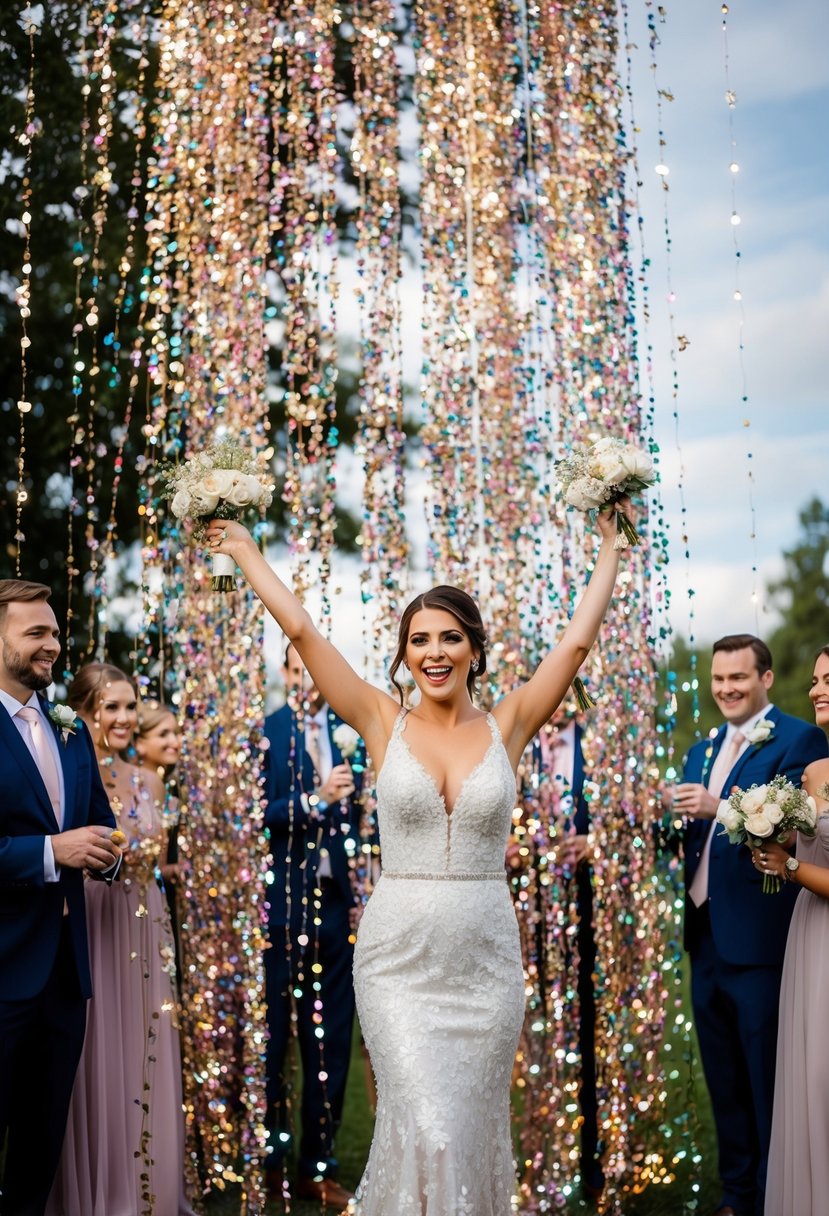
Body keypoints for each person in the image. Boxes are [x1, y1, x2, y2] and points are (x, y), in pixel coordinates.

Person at [206, 499, 629, 1215]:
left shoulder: (511, 721)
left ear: (474, 649)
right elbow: (303, 630)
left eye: (449, 638)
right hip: (398, 959)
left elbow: (573, 649)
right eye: (418, 640)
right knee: (425, 1125)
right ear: (403, 653)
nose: (433, 651)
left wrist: (612, 549)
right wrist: (246, 551)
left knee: (462, 1130)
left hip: (484, 960)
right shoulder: (378, 719)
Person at [676, 634, 828, 1216]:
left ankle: (774, 1196)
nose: (726, 689)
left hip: (762, 938)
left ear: (764, 678)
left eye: (738, 678)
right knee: (724, 1078)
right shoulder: (701, 748)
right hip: (705, 935)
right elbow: (698, 842)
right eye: (718, 679)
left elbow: (794, 825)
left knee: (768, 1078)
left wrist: (722, 808)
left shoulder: (799, 739)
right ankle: (736, 1195)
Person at [47, 664, 194, 1216]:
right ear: (84, 711)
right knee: (89, 1052)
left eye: (130, 706)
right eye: (110, 707)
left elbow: (158, 857)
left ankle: (144, 1188)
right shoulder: (70, 772)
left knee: (143, 1049)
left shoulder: (149, 779)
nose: (124, 718)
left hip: (143, 923)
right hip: (90, 919)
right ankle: (96, 1190)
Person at [0, 580, 122, 1216]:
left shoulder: (68, 728)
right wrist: (53, 852)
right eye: (36, 633)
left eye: (54, 631)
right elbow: (54, 844)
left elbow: (98, 819)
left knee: (40, 1143)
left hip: (64, 977)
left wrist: (109, 853)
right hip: (3, 964)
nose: (53, 644)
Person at [261, 644, 364, 1209]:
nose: (309, 681)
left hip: (335, 907)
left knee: (333, 1040)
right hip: (281, 910)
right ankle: (274, 1164)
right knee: (277, 1039)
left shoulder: (353, 734)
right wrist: (314, 800)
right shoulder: (267, 732)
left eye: (316, 672)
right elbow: (258, 812)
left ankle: (317, 1166)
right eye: (298, 671)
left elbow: (369, 819)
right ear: (285, 673)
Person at [749, 645, 829, 1216]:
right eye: (817, 680)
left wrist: (794, 868)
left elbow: (809, 864)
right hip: (811, 935)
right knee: (808, 1080)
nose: (816, 690)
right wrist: (770, 841)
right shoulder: (814, 772)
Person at [518, 706, 603, 1199]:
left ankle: (590, 1160)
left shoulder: (601, 744)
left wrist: (598, 841)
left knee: (588, 1035)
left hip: (590, 912)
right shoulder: (516, 743)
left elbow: (635, 820)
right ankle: (537, 1158)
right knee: (533, 1038)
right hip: (526, 915)